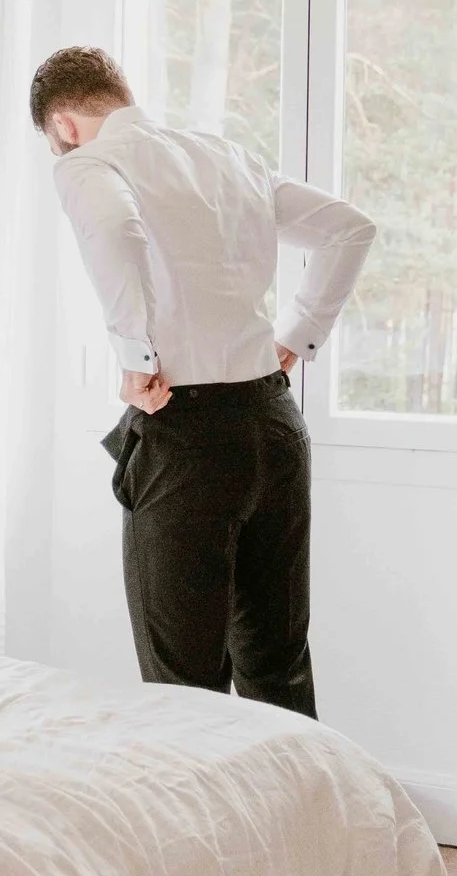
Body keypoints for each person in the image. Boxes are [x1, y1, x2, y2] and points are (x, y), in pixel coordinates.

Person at [32, 46, 376, 718]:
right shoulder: (226, 156)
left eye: (53, 142)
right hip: (274, 426)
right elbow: (348, 228)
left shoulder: (87, 163)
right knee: (278, 667)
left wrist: (135, 353)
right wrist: (298, 335)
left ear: (64, 125)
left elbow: (111, 223)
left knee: (183, 692)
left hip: (187, 438)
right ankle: (304, 825)